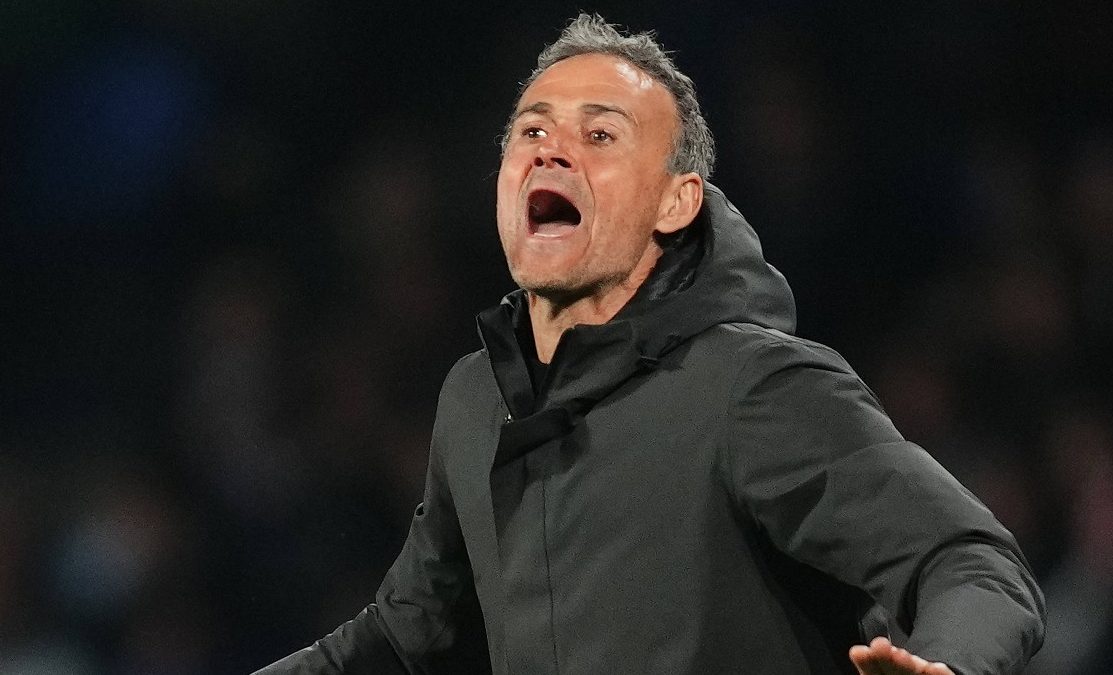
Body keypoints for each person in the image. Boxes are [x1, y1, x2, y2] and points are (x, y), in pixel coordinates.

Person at [256, 14, 1045, 675]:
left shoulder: (750, 385)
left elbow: (972, 562)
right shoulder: (476, 400)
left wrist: (950, 664)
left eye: (600, 134)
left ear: (677, 201)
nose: (550, 149)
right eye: (531, 130)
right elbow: (407, 640)